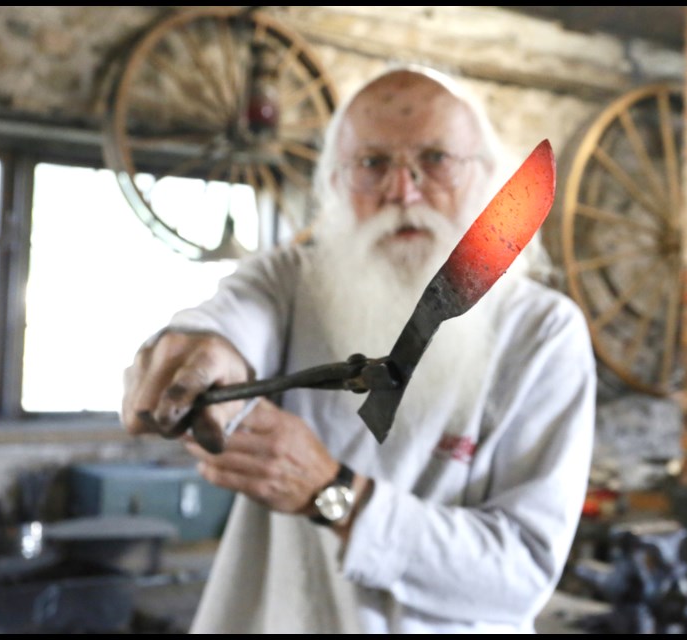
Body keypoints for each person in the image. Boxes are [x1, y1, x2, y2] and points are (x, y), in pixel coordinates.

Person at [120, 64, 596, 634]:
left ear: (487, 176)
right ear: (337, 182)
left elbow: (519, 574)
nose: (403, 191)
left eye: (435, 160)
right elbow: (225, 326)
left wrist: (333, 493)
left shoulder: (543, 333)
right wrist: (194, 361)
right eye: (373, 164)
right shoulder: (292, 281)